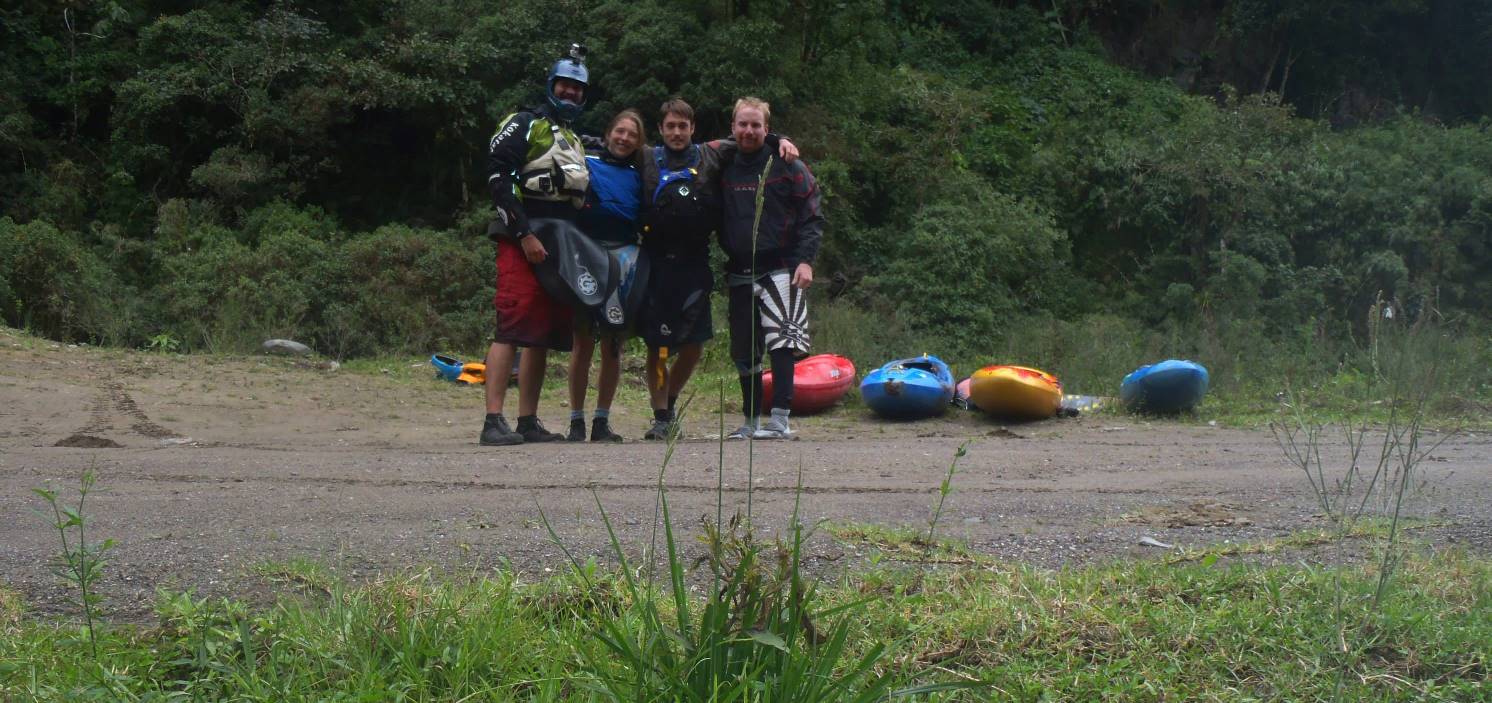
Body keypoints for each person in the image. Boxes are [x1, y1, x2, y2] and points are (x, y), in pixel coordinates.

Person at [637, 98, 798, 440]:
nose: (677, 133)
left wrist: (780, 138)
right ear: (661, 129)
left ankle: (672, 396)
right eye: (670, 126)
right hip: (656, 264)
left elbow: (751, 133)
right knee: (659, 349)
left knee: (694, 346)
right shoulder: (647, 158)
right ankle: (662, 414)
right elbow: (612, 149)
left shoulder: (710, 153)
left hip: (695, 263)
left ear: (693, 129)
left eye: (683, 126)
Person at [477, 45, 592, 446]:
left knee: (541, 333)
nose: (571, 93)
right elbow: (498, 177)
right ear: (551, 85)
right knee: (511, 327)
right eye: (565, 85)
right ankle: (493, 420)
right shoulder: (524, 123)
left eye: (578, 89)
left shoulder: (576, 140)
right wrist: (524, 233)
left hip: (560, 243)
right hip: (522, 237)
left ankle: (528, 421)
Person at [716, 97, 823, 440]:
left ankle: (780, 421)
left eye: (756, 126)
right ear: (733, 127)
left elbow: (812, 212)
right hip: (739, 269)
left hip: (783, 265)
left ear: (767, 128)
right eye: (743, 124)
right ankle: (750, 422)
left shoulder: (788, 164)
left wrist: (806, 260)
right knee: (745, 349)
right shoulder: (722, 162)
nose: (749, 131)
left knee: (782, 342)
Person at [566, 109, 646, 443]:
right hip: (586, 254)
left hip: (624, 256)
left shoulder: (642, 169)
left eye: (632, 134)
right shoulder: (587, 156)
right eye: (620, 131)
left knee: (613, 344)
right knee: (582, 342)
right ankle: (576, 421)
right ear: (609, 132)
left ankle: (601, 421)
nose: (624, 138)